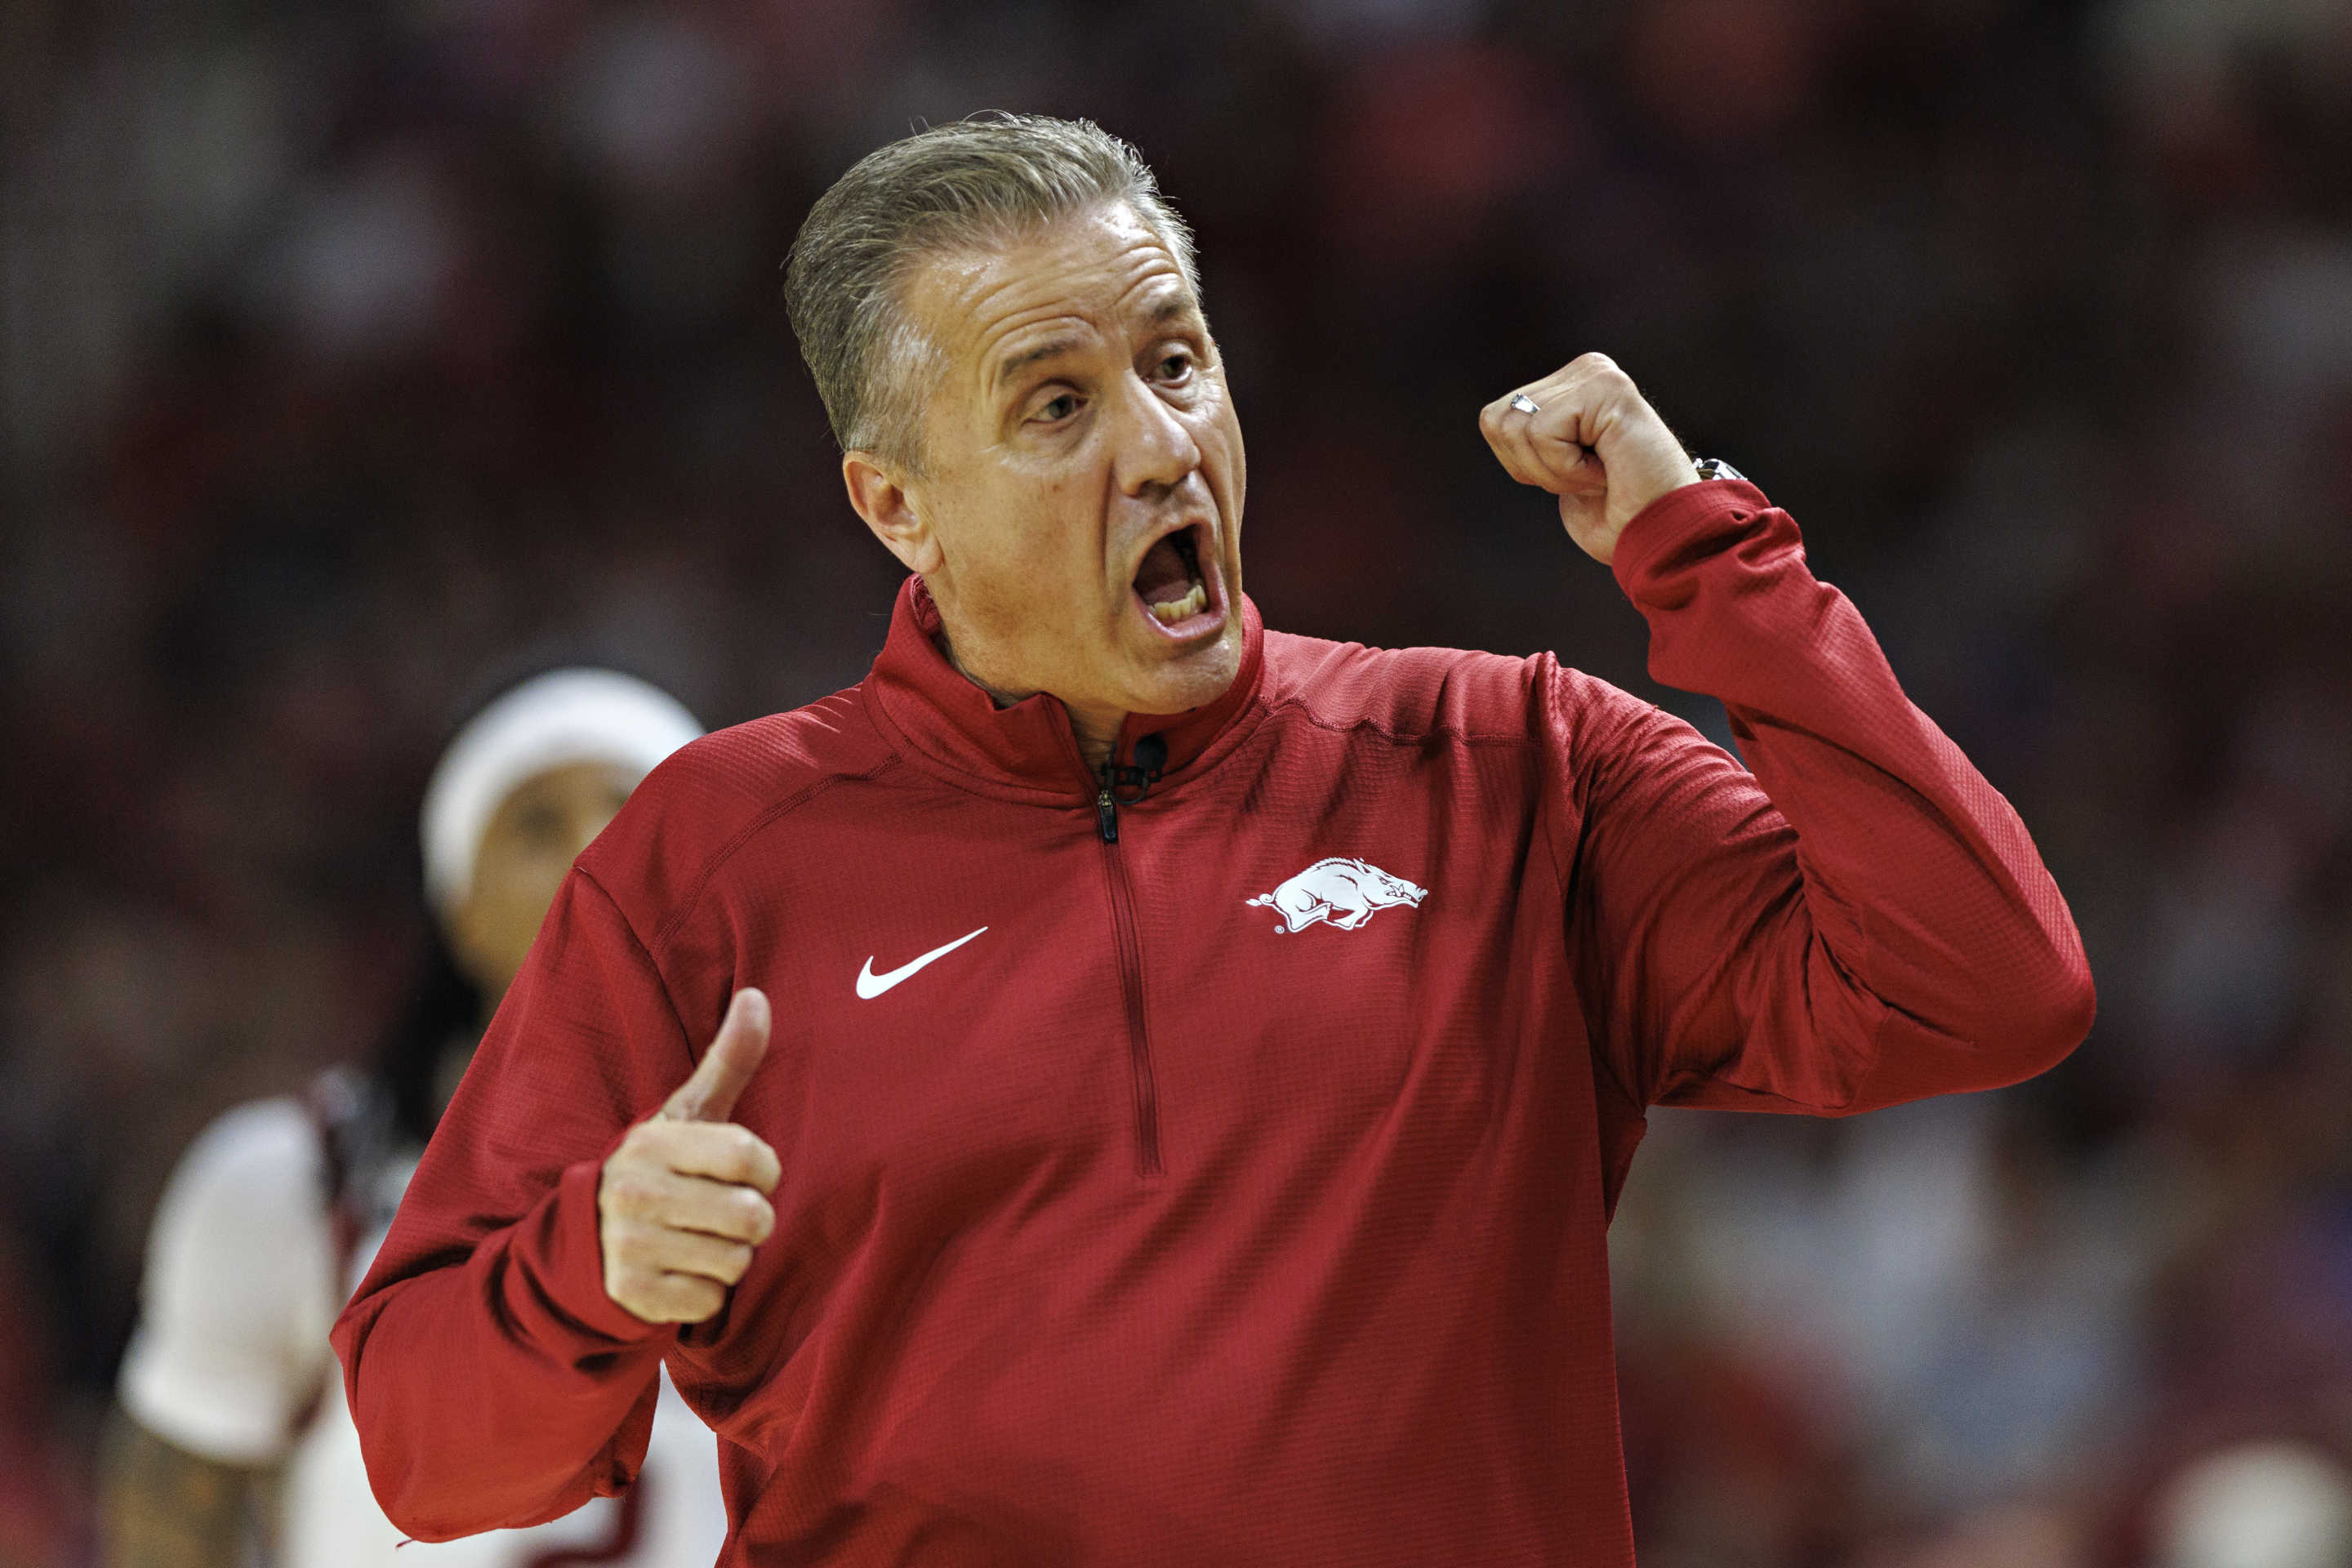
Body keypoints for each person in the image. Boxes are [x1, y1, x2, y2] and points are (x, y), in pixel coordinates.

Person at [334, 115, 2096, 1565]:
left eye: (1177, 360)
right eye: (1056, 404)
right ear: (897, 505)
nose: (1164, 442)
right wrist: (594, 1260)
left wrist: (1710, 563)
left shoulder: (1506, 764)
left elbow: (1988, 985)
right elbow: (425, 1450)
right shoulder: (710, 858)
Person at [103, 670, 728, 1567]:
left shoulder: (829, 1165)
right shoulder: (295, 1181)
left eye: (630, 811)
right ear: (459, 911)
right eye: (538, 827)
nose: (596, 849)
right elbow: (169, 1521)